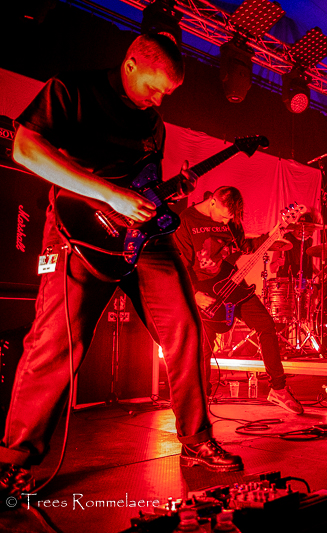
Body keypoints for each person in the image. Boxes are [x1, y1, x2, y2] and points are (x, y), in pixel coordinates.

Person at [0, 34, 243, 502]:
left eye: (167, 94)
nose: (158, 100)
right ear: (131, 64)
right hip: (79, 229)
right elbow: (25, 149)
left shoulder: (153, 122)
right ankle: (14, 461)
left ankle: (196, 440)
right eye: (154, 88)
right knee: (57, 342)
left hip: (144, 240)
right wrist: (110, 195)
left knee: (187, 327)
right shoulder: (71, 91)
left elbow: (143, 183)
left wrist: (170, 193)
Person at [173, 186, 303, 415]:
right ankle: (201, 397)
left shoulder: (231, 220)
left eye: (230, 218)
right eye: (224, 216)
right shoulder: (187, 220)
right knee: (204, 346)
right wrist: (193, 294)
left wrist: (275, 232)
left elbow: (246, 247)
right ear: (212, 202)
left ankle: (278, 389)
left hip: (232, 282)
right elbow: (180, 262)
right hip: (204, 291)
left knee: (266, 325)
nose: (227, 222)